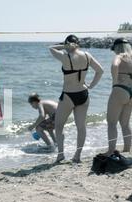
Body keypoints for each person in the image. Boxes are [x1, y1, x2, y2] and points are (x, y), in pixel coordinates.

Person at [49, 35, 104, 163]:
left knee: (58, 126)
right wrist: (91, 85)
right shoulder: (86, 55)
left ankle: (61, 154)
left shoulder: (65, 56)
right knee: (81, 126)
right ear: (78, 44)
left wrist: (64, 46)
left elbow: (51, 48)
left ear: (69, 44)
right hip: (83, 93)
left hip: (68, 95)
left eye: (67, 44)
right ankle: (77, 155)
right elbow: (100, 71)